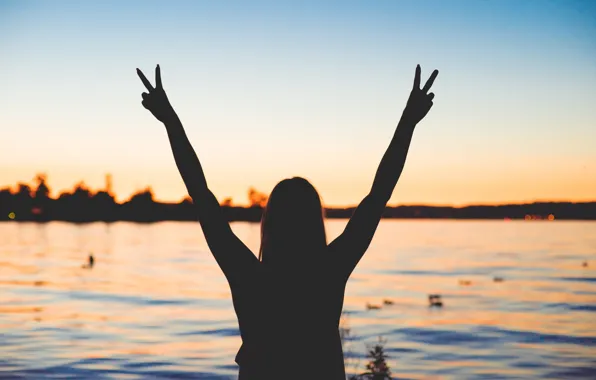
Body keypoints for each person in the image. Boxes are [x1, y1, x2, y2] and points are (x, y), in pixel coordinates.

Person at [136, 64, 438, 379]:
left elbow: (201, 194)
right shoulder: (329, 271)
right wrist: (408, 121)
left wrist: (169, 120)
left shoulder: (248, 275)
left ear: (270, 223)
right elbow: (378, 195)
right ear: (314, 223)